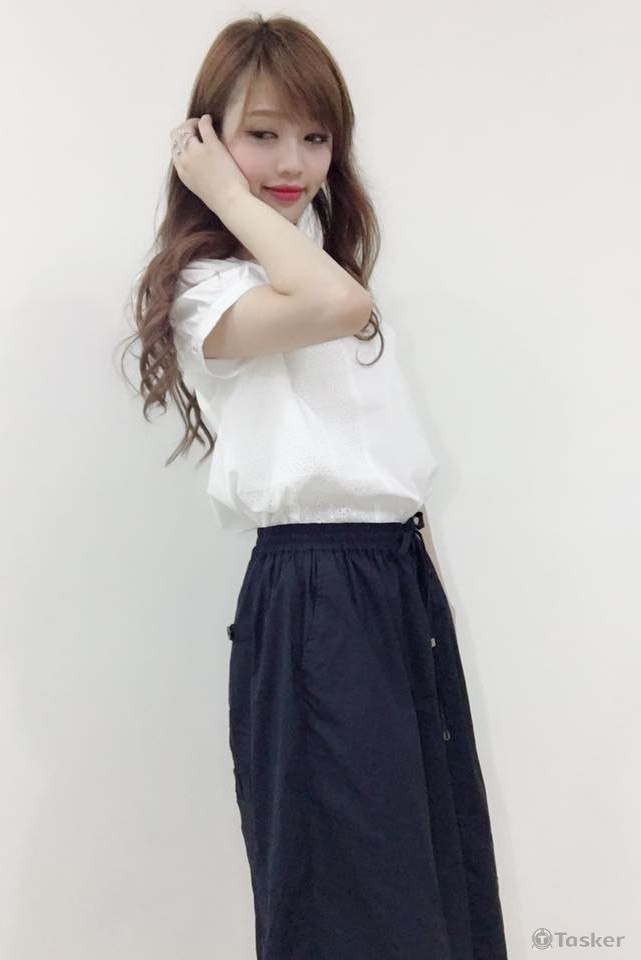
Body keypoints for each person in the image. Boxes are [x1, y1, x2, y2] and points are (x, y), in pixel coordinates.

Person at [123, 13, 508, 960]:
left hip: (391, 582)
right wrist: (220, 192)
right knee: (351, 890)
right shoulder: (210, 289)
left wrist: (418, 588)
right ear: (206, 138)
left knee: (430, 871)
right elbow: (338, 305)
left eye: (315, 136)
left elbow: (378, 428)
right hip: (315, 593)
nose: (293, 162)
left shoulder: (313, 269)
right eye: (262, 133)